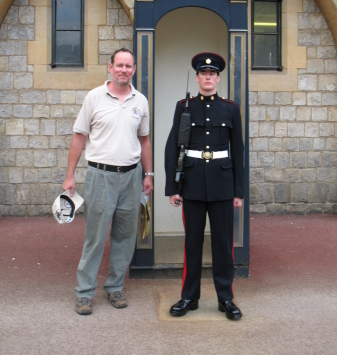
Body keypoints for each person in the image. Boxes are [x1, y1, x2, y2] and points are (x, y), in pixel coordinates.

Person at [62, 48, 153, 315]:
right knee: (95, 237)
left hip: (132, 177)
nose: (124, 70)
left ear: (134, 69)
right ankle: (84, 293)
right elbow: (79, 138)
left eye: (129, 66)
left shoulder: (141, 101)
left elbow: (144, 140)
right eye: (119, 65)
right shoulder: (94, 98)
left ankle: (115, 287)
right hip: (100, 176)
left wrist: (148, 174)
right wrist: (70, 175)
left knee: (125, 237)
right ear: (110, 67)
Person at [164, 52, 244, 320]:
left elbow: (239, 151)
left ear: (218, 78)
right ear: (197, 77)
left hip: (222, 185)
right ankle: (189, 296)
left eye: (212, 74)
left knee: (223, 244)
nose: (208, 77)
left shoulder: (230, 108)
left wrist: (238, 191)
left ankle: (226, 299)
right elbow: (173, 146)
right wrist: (173, 187)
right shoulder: (183, 106)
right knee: (192, 244)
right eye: (203, 73)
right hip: (193, 184)